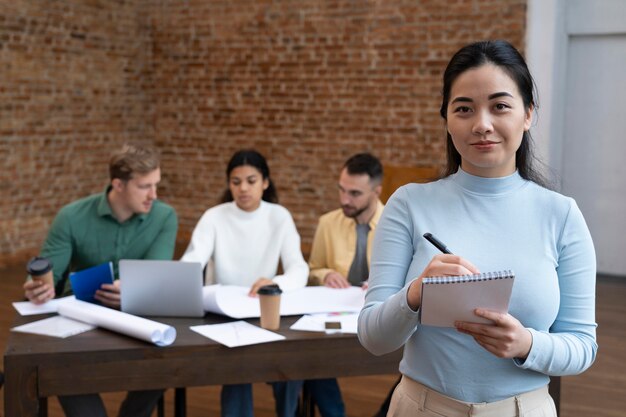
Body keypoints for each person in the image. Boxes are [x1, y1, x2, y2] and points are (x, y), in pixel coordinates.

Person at [358, 40, 597, 417]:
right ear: (447, 118)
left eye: (500, 106)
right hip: (421, 408)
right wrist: (416, 293)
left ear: (528, 114)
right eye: (464, 109)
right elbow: (372, 337)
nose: (482, 124)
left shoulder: (561, 215)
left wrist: (526, 344)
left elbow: (583, 346)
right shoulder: (408, 204)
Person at [23, 143, 178, 417]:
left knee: (167, 358)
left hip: (137, 313)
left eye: (156, 185)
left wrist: (132, 290)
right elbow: (50, 275)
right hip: (80, 316)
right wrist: (38, 289)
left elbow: (157, 274)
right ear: (118, 184)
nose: (154, 195)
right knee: (63, 368)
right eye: (145, 186)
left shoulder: (164, 216)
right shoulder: (71, 217)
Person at [181, 149, 308, 417]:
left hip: (266, 311)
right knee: (237, 368)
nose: (243, 189)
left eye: (251, 181)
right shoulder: (214, 216)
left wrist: (275, 283)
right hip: (224, 315)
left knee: (290, 366)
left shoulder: (279, 216)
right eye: (235, 182)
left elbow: (299, 269)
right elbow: (191, 263)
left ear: (265, 182)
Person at [304, 152, 384, 417]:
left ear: (376, 192)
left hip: (379, 317)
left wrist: (385, 281)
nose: (344, 200)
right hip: (336, 317)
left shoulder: (396, 224)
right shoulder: (328, 223)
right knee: (311, 357)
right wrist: (326, 274)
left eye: (354, 193)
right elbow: (313, 269)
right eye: (341, 190)